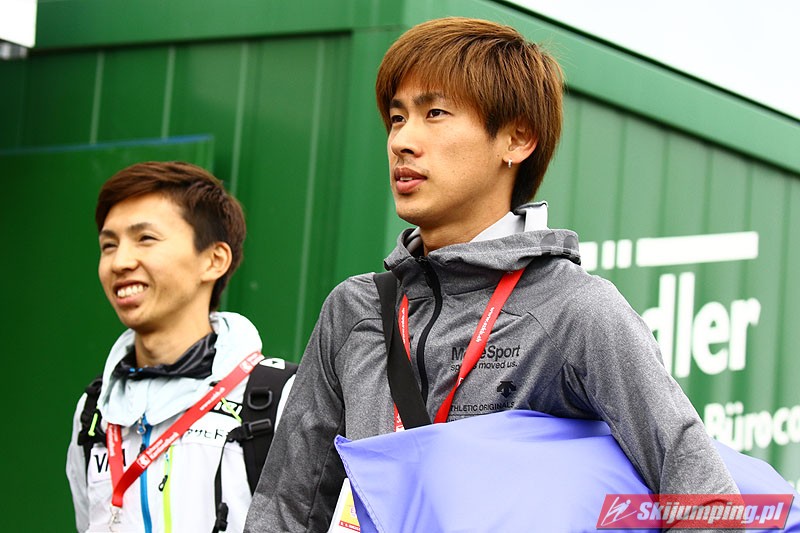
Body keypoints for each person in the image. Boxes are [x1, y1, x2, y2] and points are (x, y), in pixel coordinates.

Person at [244, 17, 739, 532]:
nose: (402, 141)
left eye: (435, 113)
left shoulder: (575, 310)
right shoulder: (355, 309)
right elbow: (284, 511)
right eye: (396, 118)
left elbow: (708, 504)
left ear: (517, 139)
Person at [66, 161, 295, 533]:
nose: (120, 262)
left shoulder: (280, 399)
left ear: (214, 260)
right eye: (109, 245)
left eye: (145, 238)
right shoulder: (94, 412)